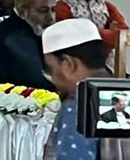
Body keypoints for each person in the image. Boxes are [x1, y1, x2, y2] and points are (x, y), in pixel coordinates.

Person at [41, 18, 110, 160]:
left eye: (51, 69)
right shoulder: (127, 93)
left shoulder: (78, 108)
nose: (53, 80)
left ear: (68, 64)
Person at [0, 0, 56, 90]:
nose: (51, 18)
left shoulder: (51, 34)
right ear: (23, 11)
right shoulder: (1, 40)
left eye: (53, 10)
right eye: (43, 11)